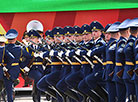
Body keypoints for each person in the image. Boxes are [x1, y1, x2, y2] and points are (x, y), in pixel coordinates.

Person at [4, 29, 33, 102]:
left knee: (8, 88)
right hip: (15, 70)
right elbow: (29, 57)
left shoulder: (3, 48)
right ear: (15, 39)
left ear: (7, 39)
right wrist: (23, 64)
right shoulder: (19, 48)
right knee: (11, 85)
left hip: (5, 69)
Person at [105, 22, 121, 102]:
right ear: (118, 33)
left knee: (112, 96)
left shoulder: (110, 44)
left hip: (108, 71)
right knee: (116, 96)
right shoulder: (116, 44)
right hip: (113, 71)